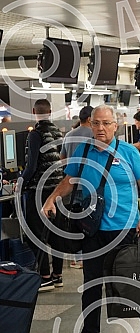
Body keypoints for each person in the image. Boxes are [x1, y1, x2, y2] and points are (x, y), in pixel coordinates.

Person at [42, 105, 140, 333]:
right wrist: (51, 198)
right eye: (96, 123)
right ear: (90, 125)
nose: (100, 128)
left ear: (115, 126)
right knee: (92, 285)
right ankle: (90, 329)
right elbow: (70, 179)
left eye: (106, 123)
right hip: (92, 230)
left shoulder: (128, 152)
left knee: (132, 282)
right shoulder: (83, 151)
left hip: (125, 229)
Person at [20, 98, 64, 292]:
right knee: (55, 234)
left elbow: (31, 165)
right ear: (51, 111)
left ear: (34, 111)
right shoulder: (58, 133)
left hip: (39, 190)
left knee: (35, 235)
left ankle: (45, 277)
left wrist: (20, 183)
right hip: (57, 190)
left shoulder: (35, 134)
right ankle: (58, 276)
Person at [60, 105, 94, 269]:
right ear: (90, 119)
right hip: (91, 187)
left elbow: (62, 159)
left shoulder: (68, 135)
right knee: (90, 222)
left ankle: (76, 257)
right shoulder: (95, 135)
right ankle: (87, 256)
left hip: (72, 187)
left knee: (75, 221)